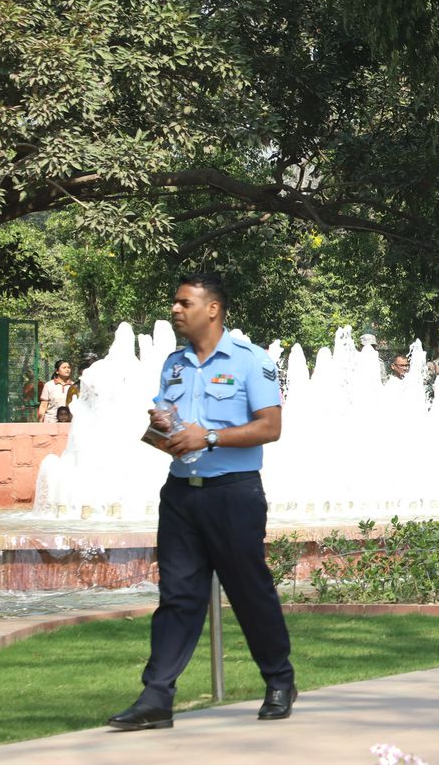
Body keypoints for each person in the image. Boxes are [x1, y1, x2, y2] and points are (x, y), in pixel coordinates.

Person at [107, 273, 295, 730]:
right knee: (177, 597)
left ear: (212, 309)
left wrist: (207, 436)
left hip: (232, 493)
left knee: (249, 592)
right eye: (175, 302)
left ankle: (279, 681)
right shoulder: (174, 363)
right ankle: (156, 698)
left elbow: (270, 427)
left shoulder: (251, 360)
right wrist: (164, 429)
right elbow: (170, 424)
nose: (175, 309)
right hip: (180, 495)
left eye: (184, 302)